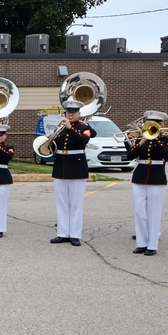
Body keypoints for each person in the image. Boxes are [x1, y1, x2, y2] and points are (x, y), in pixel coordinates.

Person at [125, 111, 168, 256]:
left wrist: (155, 138)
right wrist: (141, 141)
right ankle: (141, 243)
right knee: (139, 212)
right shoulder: (142, 139)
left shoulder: (166, 138)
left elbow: (166, 154)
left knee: (154, 212)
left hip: (157, 177)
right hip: (140, 176)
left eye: (157, 123)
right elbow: (130, 155)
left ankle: (152, 245)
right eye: (151, 123)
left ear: (162, 124)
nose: (154, 125)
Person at [49, 98, 93, 247]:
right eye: (68, 112)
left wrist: (70, 128)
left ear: (79, 113)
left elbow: (82, 142)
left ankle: (75, 234)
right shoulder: (60, 128)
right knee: (61, 203)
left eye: (73, 112)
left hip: (77, 168)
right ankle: (62, 233)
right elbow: (55, 145)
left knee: (76, 204)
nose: (70, 115)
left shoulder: (84, 127)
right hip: (61, 166)